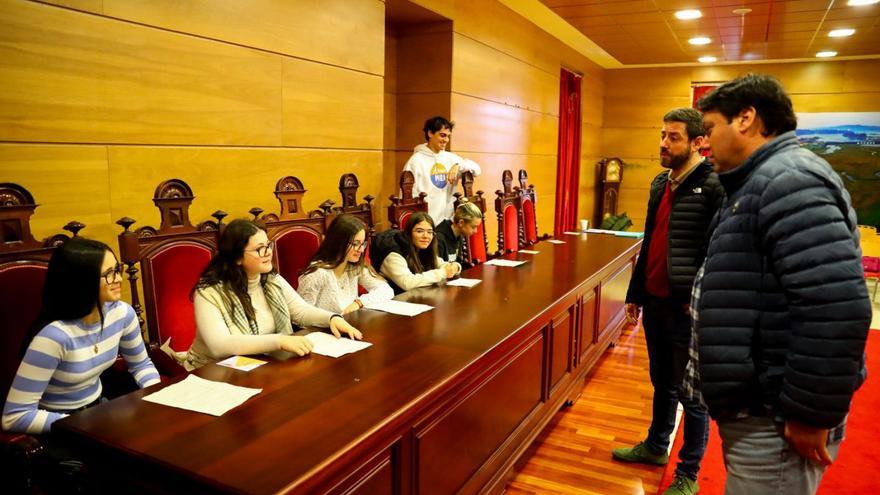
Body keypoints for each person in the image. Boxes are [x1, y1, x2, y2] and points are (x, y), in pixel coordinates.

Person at [692, 73, 871, 494]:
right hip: (758, 405)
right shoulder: (759, 180)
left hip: (775, 415)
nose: (704, 143)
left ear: (746, 118)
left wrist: (809, 414)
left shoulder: (789, 180)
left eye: (709, 129)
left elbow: (835, 307)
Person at [613, 108, 724, 495]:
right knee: (662, 382)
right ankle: (657, 446)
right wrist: (635, 292)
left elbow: (718, 252)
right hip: (656, 303)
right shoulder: (661, 183)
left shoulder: (713, 186)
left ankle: (689, 473)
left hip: (686, 309)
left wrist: (701, 299)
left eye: (673, 137)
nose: (663, 143)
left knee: (692, 395)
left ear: (698, 143)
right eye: (662, 134)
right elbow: (650, 240)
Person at [2, 237, 161, 492]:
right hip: (57, 425)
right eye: (108, 274)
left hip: (99, 413)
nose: (118, 279)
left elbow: (141, 365)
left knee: (155, 453)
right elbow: (14, 417)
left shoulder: (122, 314)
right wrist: (77, 424)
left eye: (117, 269)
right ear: (81, 281)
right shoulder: (54, 336)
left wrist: (157, 397)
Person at [183, 219, 361, 370]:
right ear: (237, 257)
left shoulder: (270, 279)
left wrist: (332, 319)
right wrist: (279, 341)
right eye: (260, 248)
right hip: (211, 370)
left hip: (259, 365)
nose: (268, 252)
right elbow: (219, 346)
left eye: (268, 245)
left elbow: (300, 311)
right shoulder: (209, 291)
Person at [298, 214, 393, 313]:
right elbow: (301, 315)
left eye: (363, 244)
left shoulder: (353, 267)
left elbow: (386, 290)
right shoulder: (317, 274)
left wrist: (358, 303)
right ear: (339, 242)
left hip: (350, 324)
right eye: (355, 244)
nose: (361, 250)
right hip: (325, 327)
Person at [403, 116, 482, 223]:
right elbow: (407, 197)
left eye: (448, 136)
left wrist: (459, 165)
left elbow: (477, 170)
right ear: (430, 133)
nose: (446, 140)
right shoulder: (416, 161)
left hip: (449, 221)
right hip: (427, 223)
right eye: (442, 135)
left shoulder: (451, 158)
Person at [369, 212, 460, 294]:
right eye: (419, 231)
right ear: (408, 233)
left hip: (414, 297)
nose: (425, 236)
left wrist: (455, 267)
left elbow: (440, 263)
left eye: (429, 232)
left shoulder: (421, 247)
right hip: (393, 301)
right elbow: (407, 282)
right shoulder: (393, 253)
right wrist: (443, 273)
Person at [434, 200, 483, 265]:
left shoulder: (459, 235)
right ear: (461, 223)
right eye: (473, 227)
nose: (475, 231)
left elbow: (457, 262)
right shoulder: (439, 239)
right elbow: (437, 268)